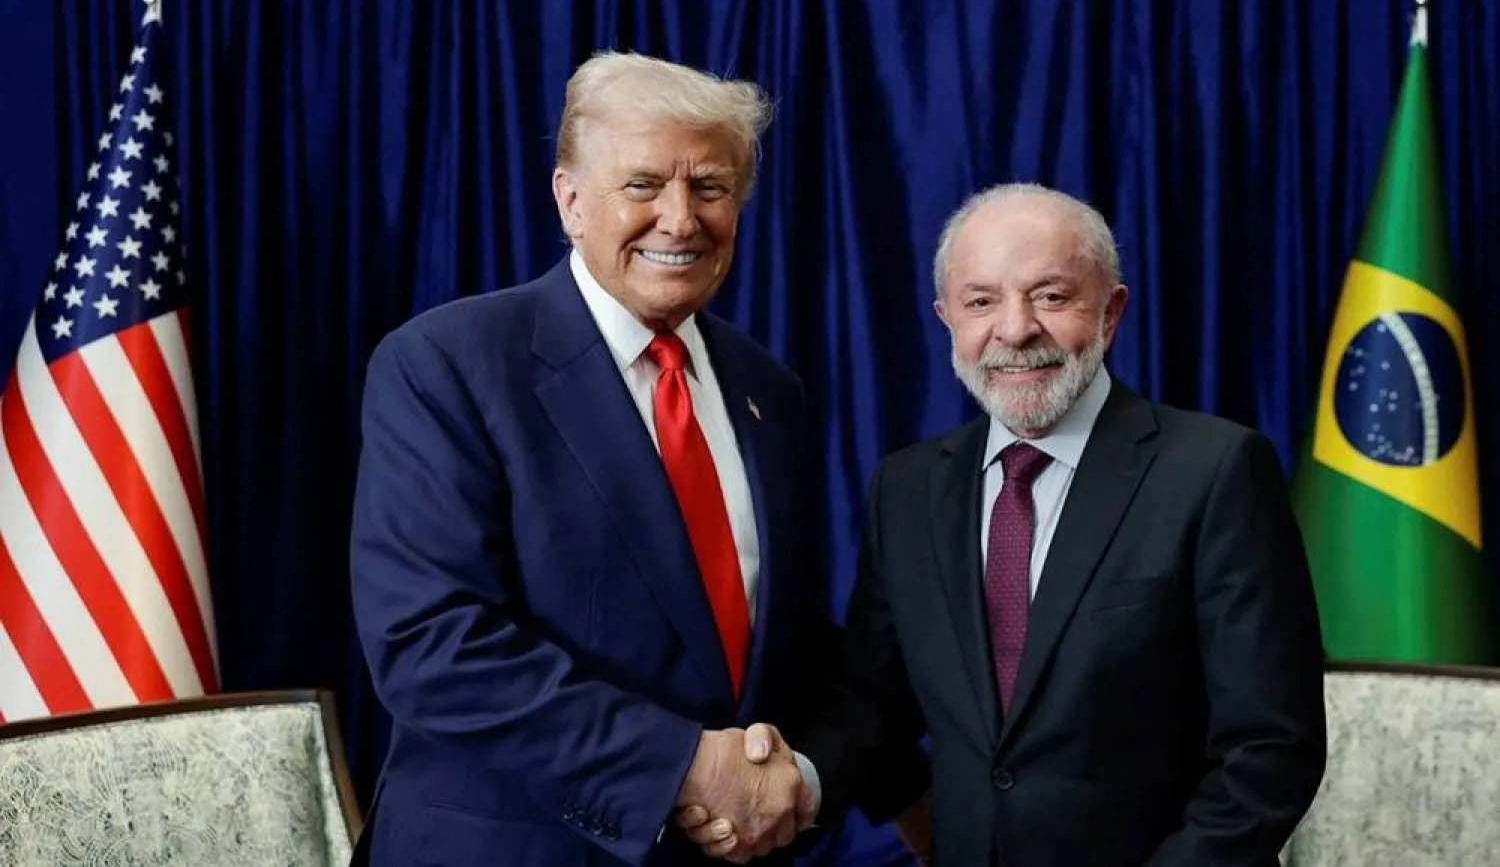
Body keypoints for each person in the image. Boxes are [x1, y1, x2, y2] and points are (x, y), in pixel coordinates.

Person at [348, 51, 919, 866]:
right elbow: (432, 640)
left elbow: (772, 640)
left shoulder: (766, 388)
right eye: (644, 184)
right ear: (570, 200)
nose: (681, 219)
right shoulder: (447, 363)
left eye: (711, 187)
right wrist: (684, 765)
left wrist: (898, 785)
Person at [683, 183, 1328, 865]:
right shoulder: (907, 490)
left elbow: (1269, 749)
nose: (1015, 329)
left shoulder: (1216, 471)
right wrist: (799, 785)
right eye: (981, 301)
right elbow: (872, 709)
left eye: (1050, 296)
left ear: (1111, 312)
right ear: (947, 318)